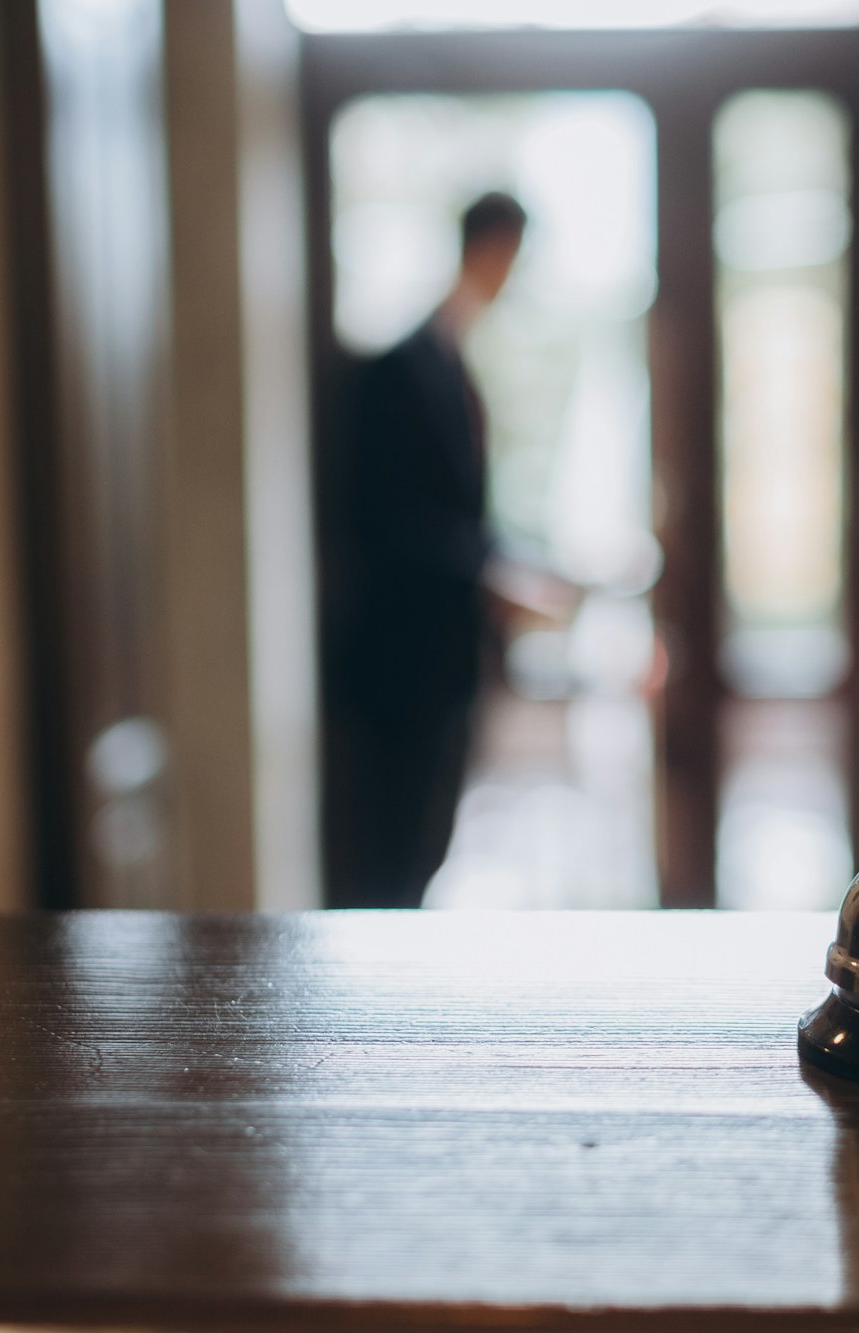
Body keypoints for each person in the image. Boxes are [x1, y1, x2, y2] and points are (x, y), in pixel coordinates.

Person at [320, 192, 528, 908]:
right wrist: (486, 577)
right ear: (494, 250)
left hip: (443, 668)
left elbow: (456, 514)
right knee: (392, 867)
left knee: (424, 855)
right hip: (400, 671)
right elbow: (383, 523)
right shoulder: (402, 372)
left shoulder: (448, 364)